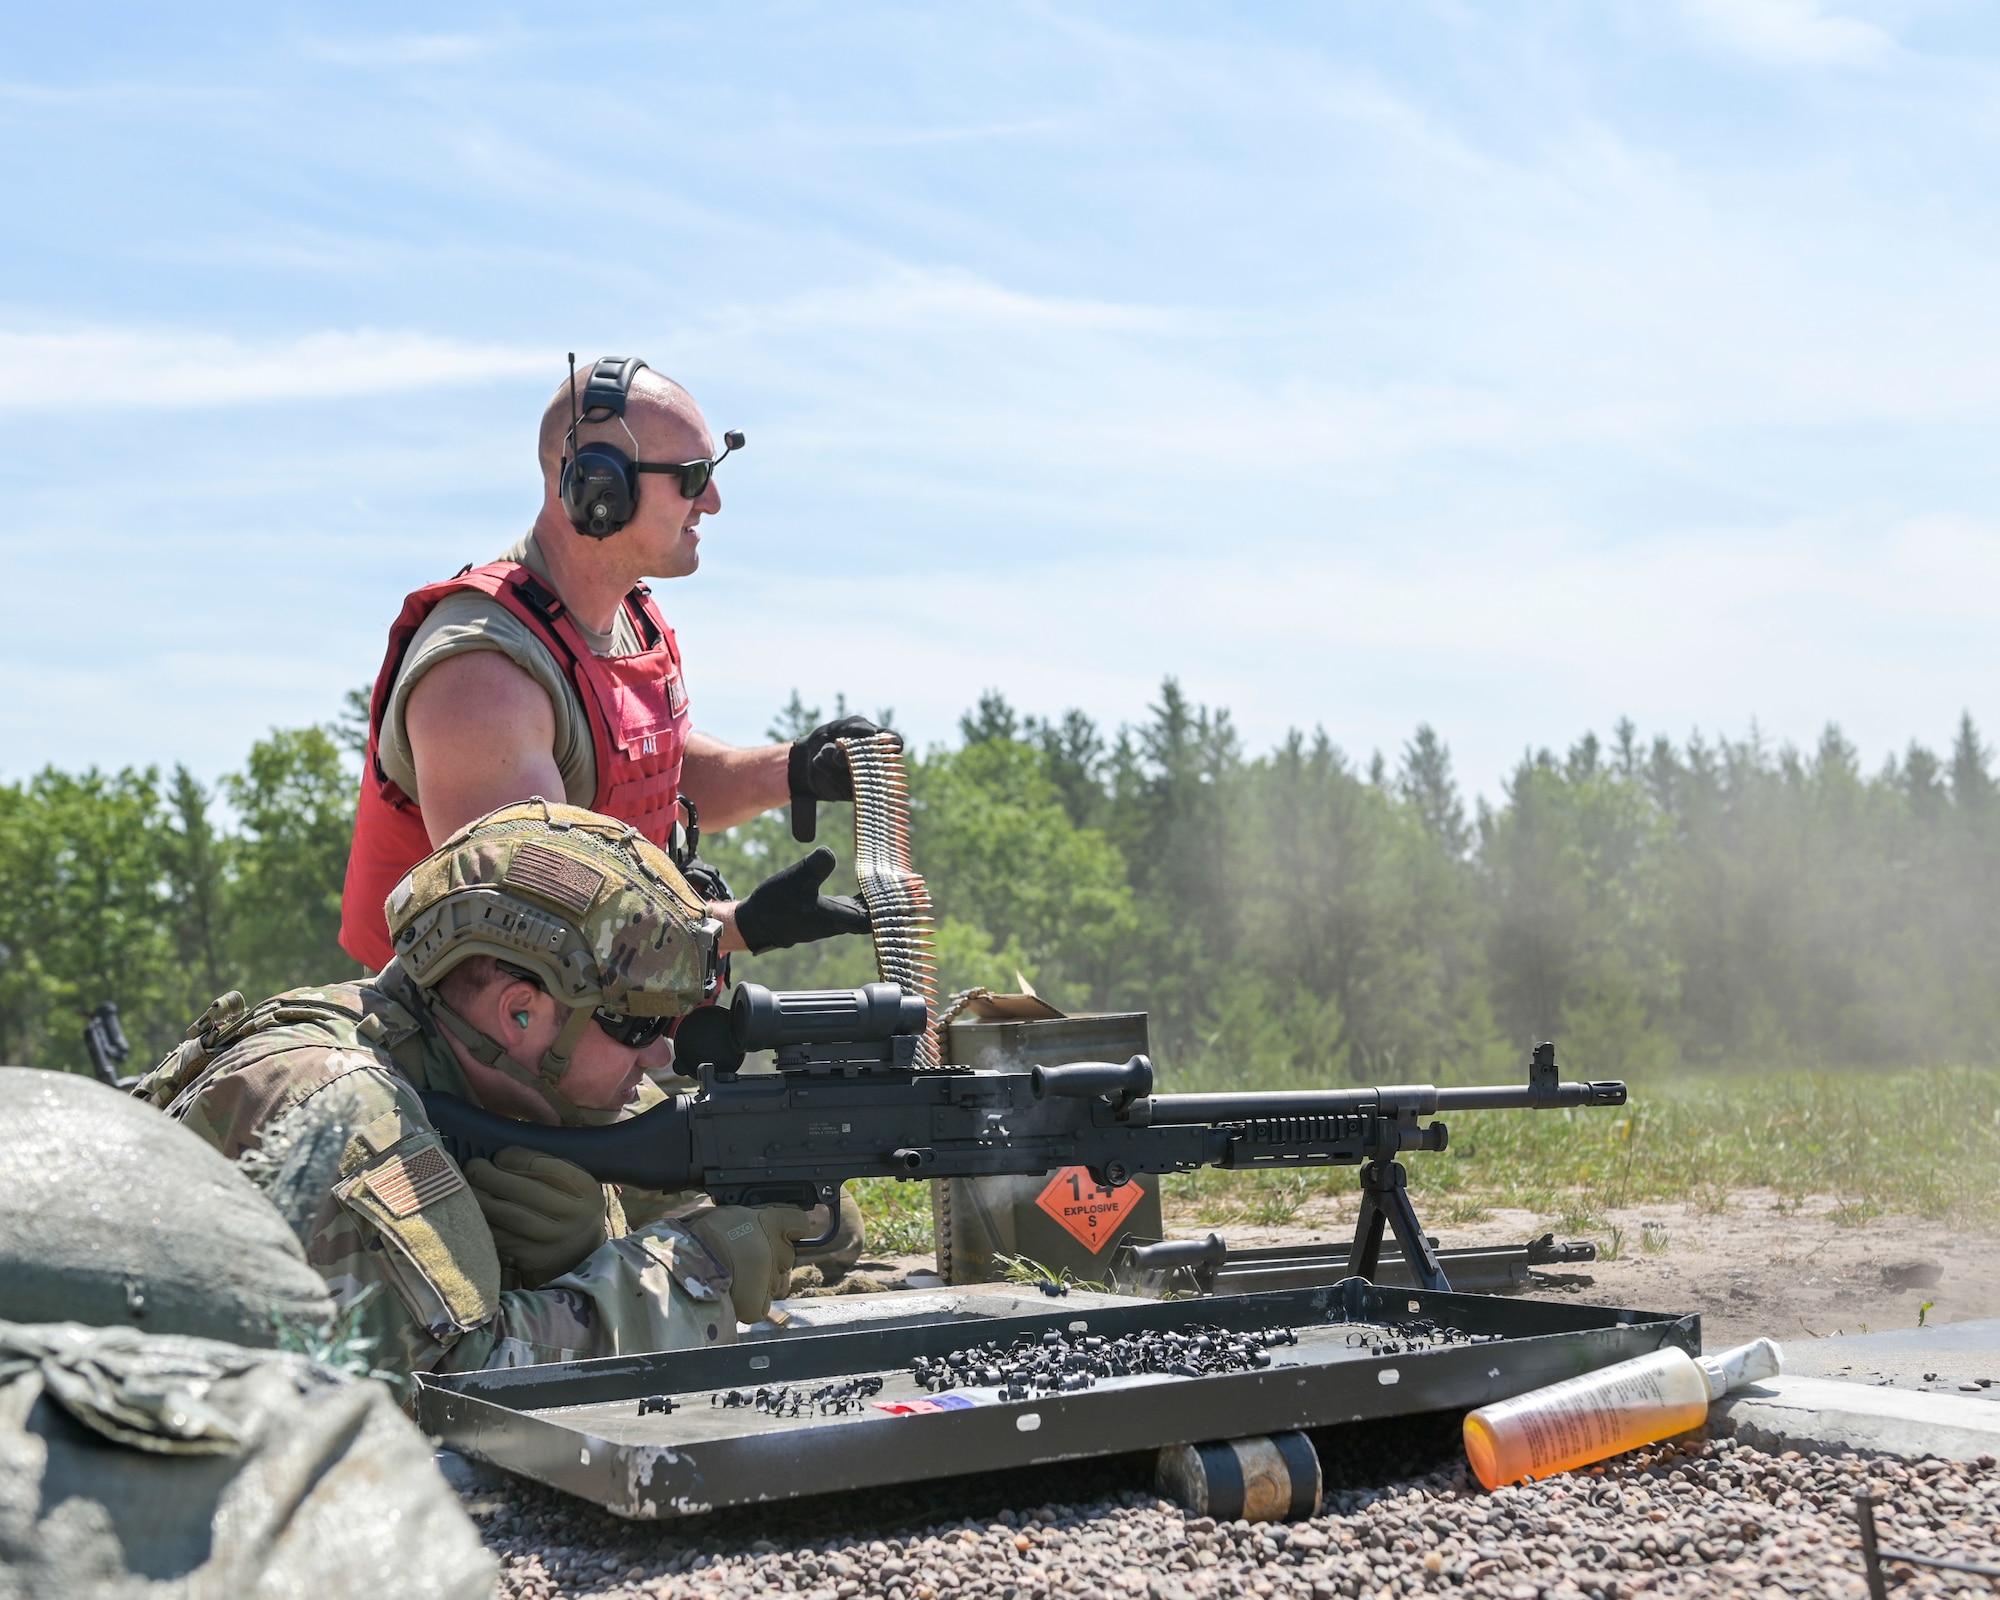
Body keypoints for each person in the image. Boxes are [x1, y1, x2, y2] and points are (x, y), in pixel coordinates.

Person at [141, 801, 817, 1381]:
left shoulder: (509, 1074)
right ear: (518, 1013)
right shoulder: (341, 1107)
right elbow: (453, 1385)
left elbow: (769, 1215)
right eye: (639, 1022)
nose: (663, 1052)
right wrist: (697, 1272)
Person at [338, 351, 893, 975]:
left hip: (595, 1031)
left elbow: (646, 776)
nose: (711, 499)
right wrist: (740, 926)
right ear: (601, 488)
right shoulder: (484, 678)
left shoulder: (626, 619)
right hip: (473, 1056)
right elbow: (532, 925)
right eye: (689, 476)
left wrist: (791, 771)